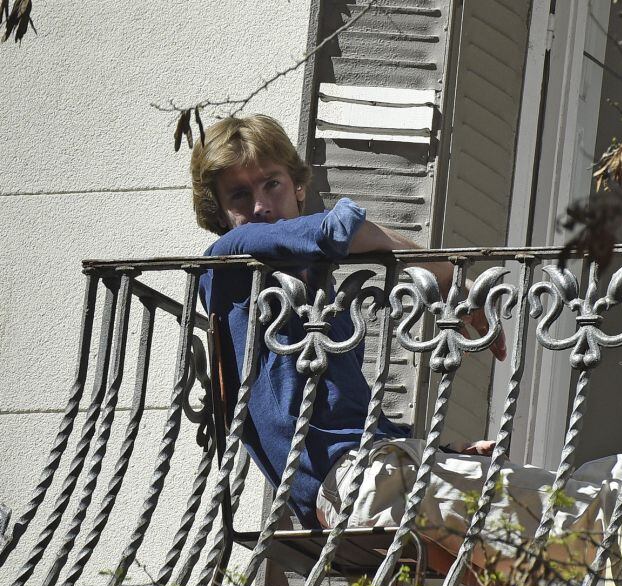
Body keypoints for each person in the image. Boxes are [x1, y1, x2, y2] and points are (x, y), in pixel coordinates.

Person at [192, 115, 502, 529]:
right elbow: (336, 229)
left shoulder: (322, 303)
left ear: (299, 187)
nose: (261, 206)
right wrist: (444, 275)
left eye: (272, 184)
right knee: (579, 513)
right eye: (240, 196)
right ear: (221, 212)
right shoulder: (225, 258)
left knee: (567, 511)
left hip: (368, 472)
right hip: (344, 483)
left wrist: (442, 452)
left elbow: (347, 415)